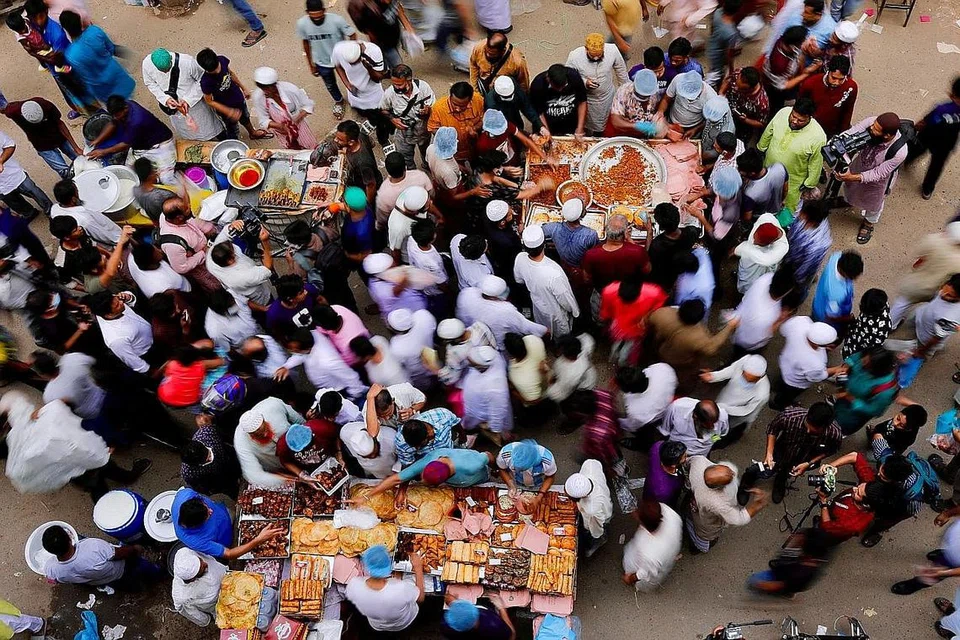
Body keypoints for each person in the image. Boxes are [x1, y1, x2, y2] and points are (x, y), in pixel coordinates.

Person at [836, 113, 910, 245]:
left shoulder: (900, 151)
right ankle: (849, 201)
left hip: (878, 182)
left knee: (874, 202)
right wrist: (837, 143)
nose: (871, 128)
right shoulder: (873, 122)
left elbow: (878, 173)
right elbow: (852, 132)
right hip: (860, 164)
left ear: (887, 135)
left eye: (875, 130)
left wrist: (852, 177)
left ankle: (869, 223)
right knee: (851, 188)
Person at [685, 456, 769, 553]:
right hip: (705, 525)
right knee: (701, 541)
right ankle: (695, 549)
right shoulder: (718, 502)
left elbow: (687, 464)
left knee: (687, 517)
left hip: (691, 506)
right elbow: (739, 518)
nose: (732, 473)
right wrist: (758, 504)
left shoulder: (698, 462)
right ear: (718, 488)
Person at [648, 300, 737, 390]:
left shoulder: (662, 313)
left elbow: (649, 322)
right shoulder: (699, 337)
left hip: (660, 350)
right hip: (680, 363)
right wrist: (729, 327)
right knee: (681, 378)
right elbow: (711, 348)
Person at [173, 488, 284, 560]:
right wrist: (258, 540)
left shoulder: (186, 495)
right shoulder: (195, 540)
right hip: (225, 541)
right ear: (197, 524)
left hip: (225, 514)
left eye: (207, 507)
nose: (211, 511)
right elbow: (229, 554)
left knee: (234, 515)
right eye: (208, 515)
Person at [763, 402, 842, 502]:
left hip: (805, 458)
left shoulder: (834, 434)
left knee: (787, 472)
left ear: (826, 427)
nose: (808, 431)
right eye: (807, 425)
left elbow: (832, 450)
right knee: (771, 467)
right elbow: (772, 429)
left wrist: (809, 463)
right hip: (783, 449)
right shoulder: (789, 416)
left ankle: (780, 480)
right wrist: (769, 453)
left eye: (814, 430)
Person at [758, 98, 827, 212]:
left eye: (800, 120)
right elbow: (768, 131)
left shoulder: (818, 137)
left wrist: (809, 184)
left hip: (793, 181)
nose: (794, 121)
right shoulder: (783, 112)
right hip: (768, 169)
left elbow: (816, 162)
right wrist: (761, 147)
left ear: (809, 118)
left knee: (786, 208)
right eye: (793, 116)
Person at [88, 97, 176, 184]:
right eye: (113, 115)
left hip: (161, 145)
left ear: (125, 108)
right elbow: (113, 123)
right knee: (128, 173)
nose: (115, 117)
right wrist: (97, 140)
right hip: (141, 146)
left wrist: (103, 152)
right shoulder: (123, 108)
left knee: (166, 179)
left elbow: (125, 145)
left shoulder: (136, 120)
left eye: (117, 115)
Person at [142, 48, 224, 141]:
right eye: (162, 71)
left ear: (171, 60)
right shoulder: (146, 64)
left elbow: (202, 79)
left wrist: (188, 100)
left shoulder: (187, 62)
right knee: (188, 132)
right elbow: (150, 83)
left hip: (196, 105)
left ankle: (224, 139)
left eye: (167, 69)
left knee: (208, 126)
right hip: (174, 107)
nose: (165, 72)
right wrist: (165, 99)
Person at [42, 525, 160, 588]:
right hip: (119, 571)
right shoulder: (94, 547)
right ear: (69, 539)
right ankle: (159, 573)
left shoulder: (51, 569)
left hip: (97, 580)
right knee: (142, 567)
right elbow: (121, 554)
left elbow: (55, 580)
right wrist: (135, 549)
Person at [890, 224, 960, 329]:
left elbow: (919, 258)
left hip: (918, 284)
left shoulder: (934, 240)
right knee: (930, 309)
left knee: (902, 304)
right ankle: (918, 323)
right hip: (940, 290)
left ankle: (890, 325)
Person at [513, 225, 579, 336]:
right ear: (544, 244)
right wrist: (575, 311)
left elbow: (519, 280)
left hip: (538, 306)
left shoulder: (520, 258)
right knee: (561, 335)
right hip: (555, 313)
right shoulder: (554, 272)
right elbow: (565, 298)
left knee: (544, 330)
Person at [581, 214, 650, 319]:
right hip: (627, 296)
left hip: (602, 296)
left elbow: (586, 279)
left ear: (605, 231)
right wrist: (630, 239)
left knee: (601, 321)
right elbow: (647, 270)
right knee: (624, 320)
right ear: (625, 233)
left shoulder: (591, 254)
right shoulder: (637, 251)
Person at [298, 0, 357, 120]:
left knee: (352, 80)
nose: (317, 20)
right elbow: (305, 43)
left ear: (324, 11)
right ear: (307, 13)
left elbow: (352, 34)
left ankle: (356, 99)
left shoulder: (336, 20)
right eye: (313, 17)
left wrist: (352, 53)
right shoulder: (302, 24)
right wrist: (311, 64)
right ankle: (339, 101)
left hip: (342, 59)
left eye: (319, 16)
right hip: (321, 61)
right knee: (330, 84)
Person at [59, 12, 134, 105]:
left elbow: (83, 77)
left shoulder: (70, 54)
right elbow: (111, 48)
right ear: (80, 22)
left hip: (102, 89)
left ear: (65, 29)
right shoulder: (94, 31)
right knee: (132, 104)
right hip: (117, 76)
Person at [346, 544, 424, 632]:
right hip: (402, 622)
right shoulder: (401, 588)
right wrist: (418, 569)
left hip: (376, 624)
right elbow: (420, 598)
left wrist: (396, 578)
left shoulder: (354, 585)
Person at [456, 275, 547, 348]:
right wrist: (545, 330)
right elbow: (526, 327)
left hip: (478, 341)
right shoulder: (505, 310)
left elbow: (464, 319)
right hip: (501, 344)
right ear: (493, 297)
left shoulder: (466, 294)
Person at [197, 48, 268, 141]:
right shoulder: (206, 82)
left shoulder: (222, 60)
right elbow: (209, 101)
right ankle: (234, 144)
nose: (218, 71)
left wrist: (243, 88)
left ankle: (252, 132)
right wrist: (228, 111)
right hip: (224, 107)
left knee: (245, 117)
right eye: (213, 71)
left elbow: (231, 73)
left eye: (217, 67)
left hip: (237, 97)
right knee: (232, 130)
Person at [234, 397, 306, 487]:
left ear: (264, 420)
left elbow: (299, 421)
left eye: (264, 429)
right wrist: (283, 480)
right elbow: (254, 475)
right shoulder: (241, 442)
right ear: (249, 434)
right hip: (279, 465)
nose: (264, 435)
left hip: (300, 448)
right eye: (258, 435)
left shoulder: (273, 405)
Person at [907, 76, 960, 200]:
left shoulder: (942, 108)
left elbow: (925, 122)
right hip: (937, 139)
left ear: (952, 95)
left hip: (938, 139)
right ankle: (927, 187)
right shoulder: (942, 109)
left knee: (933, 163)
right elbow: (926, 121)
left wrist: (917, 126)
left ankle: (927, 185)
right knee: (931, 161)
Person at [565, 33, 628, 136]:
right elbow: (569, 76)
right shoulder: (575, 56)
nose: (595, 58)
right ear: (586, 49)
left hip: (607, 97)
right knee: (586, 123)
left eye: (599, 55)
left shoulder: (612, 50)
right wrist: (585, 82)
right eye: (592, 56)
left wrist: (625, 92)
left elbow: (621, 71)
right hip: (588, 99)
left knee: (605, 124)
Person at [2, 97, 80, 178]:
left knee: (79, 159)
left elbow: (60, 124)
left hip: (59, 136)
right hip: (42, 145)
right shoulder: (12, 111)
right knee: (65, 173)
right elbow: (3, 109)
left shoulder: (47, 105)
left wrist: (76, 147)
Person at [599, 278, 668, 366]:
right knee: (617, 347)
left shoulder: (654, 292)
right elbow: (606, 312)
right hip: (618, 327)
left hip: (636, 329)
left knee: (629, 352)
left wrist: (647, 316)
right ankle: (619, 361)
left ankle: (626, 366)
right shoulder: (609, 291)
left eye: (630, 301)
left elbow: (661, 302)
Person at [771, 316, 837, 409]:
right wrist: (837, 369)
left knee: (779, 382)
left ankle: (775, 388)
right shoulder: (815, 362)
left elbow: (783, 330)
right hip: (794, 381)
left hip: (785, 363)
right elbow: (816, 377)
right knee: (786, 395)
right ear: (817, 344)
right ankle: (779, 405)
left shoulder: (801, 321)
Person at [701, 354, 770, 442]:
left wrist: (723, 408)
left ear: (760, 377)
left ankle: (714, 441)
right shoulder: (745, 361)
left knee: (725, 431)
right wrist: (713, 376)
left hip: (737, 416)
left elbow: (745, 411)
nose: (746, 380)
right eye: (744, 376)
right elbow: (731, 370)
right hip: (725, 400)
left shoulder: (762, 393)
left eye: (750, 380)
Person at [831, 347, 900, 435]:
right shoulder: (868, 356)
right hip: (842, 398)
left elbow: (875, 410)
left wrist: (852, 400)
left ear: (877, 369)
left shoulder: (885, 390)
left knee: (839, 428)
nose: (861, 362)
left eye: (866, 365)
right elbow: (854, 358)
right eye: (863, 359)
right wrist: (846, 366)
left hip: (852, 414)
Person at [747, 528, 834, 597]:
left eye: (802, 539)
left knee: (753, 579)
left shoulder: (799, 573)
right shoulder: (817, 557)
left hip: (779, 577)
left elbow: (779, 584)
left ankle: (782, 593)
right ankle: (787, 592)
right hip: (788, 577)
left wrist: (760, 584)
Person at [381, 64, 435, 169]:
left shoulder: (423, 87)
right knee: (405, 156)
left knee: (427, 152)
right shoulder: (389, 93)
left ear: (409, 80)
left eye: (399, 84)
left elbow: (433, 105)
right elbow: (383, 110)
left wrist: (428, 110)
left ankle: (427, 164)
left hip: (423, 129)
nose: (396, 87)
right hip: (404, 132)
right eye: (394, 83)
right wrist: (393, 119)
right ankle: (412, 171)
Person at [250, 67, 317, 150]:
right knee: (292, 152)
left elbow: (309, 105)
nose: (266, 92)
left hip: (300, 128)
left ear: (274, 85)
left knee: (311, 149)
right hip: (281, 133)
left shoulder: (290, 90)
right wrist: (282, 127)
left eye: (268, 88)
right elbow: (263, 121)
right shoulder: (258, 97)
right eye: (263, 88)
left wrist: (295, 121)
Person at [622, 499, 683, 590]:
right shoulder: (670, 514)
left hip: (645, 564)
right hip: (667, 554)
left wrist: (630, 578)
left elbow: (643, 573)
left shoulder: (649, 554)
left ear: (644, 525)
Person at [762, 26, 821, 114]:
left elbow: (800, 55)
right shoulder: (779, 64)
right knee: (776, 105)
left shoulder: (786, 41)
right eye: (802, 42)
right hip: (776, 86)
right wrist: (806, 74)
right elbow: (784, 85)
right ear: (793, 45)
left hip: (791, 74)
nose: (805, 42)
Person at [796, 54, 857, 139]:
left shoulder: (851, 87)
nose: (836, 82)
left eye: (841, 79)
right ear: (828, 71)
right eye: (834, 78)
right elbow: (799, 108)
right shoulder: (810, 84)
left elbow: (847, 112)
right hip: (808, 130)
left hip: (830, 132)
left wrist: (843, 133)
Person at [461, 345, 513, 441]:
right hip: (477, 408)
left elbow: (498, 411)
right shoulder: (494, 358)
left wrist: (495, 429)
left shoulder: (495, 388)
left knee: (501, 431)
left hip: (485, 414)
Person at [50, 178, 121, 246]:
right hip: (112, 241)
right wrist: (120, 240)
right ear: (73, 199)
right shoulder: (85, 220)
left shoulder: (54, 209)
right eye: (77, 192)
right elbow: (104, 236)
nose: (78, 193)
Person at [564, 459, 614, 556]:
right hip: (603, 493)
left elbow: (595, 526)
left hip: (601, 515)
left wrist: (596, 534)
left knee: (595, 532)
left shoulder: (591, 509)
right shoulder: (590, 464)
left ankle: (599, 541)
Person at [0, 129, 52, 219]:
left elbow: (10, 145)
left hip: (15, 174)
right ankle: (30, 213)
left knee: (35, 192)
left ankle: (51, 211)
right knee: (15, 203)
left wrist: (1, 161)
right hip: (1, 189)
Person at [347, 0, 414, 69]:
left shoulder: (389, 2)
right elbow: (370, 33)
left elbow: (398, 8)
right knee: (398, 67)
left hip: (394, 36)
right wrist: (376, 49)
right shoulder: (369, 11)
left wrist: (408, 27)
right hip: (385, 44)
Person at [618, 363, 678, 441]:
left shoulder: (635, 409)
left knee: (644, 434)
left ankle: (642, 443)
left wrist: (618, 422)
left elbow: (633, 426)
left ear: (628, 390)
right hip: (670, 402)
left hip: (654, 418)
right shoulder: (662, 368)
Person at [427, 82, 485, 163]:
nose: (458, 109)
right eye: (455, 104)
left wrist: (475, 128)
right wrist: (448, 139)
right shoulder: (438, 108)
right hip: (454, 155)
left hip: (474, 150)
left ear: (470, 100)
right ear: (450, 97)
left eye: (462, 106)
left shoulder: (478, 100)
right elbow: (432, 128)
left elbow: (483, 119)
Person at [180, 425, 242, 499]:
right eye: (207, 461)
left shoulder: (206, 433)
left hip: (229, 458)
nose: (210, 459)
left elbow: (224, 435)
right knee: (235, 492)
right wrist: (216, 489)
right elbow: (201, 487)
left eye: (209, 455)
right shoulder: (188, 473)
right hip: (220, 479)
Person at [171, 548, 227, 627]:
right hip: (218, 603)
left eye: (200, 560)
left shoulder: (184, 553)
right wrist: (205, 620)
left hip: (226, 576)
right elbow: (191, 613)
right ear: (193, 579)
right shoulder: (182, 596)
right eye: (202, 569)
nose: (205, 564)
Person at [647, 203, 699, 289]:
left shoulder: (657, 244)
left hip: (666, 277)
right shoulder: (691, 232)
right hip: (682, 272)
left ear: (660, 226)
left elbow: (648, 261)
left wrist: (649, 233)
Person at [529, 64, 588, 138]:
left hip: (570, 123)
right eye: (556, 87)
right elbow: (538, 112)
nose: (560, 90)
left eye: (563, 87)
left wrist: (580, 128)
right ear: (548, 79)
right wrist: (547, 132)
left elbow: (582, 102)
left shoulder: (574, 76)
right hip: (548, 122)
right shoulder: (538, 84)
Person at [783, 199, 832, 288]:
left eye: (802, 212)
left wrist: (797, 281)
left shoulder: (816, 246)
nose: (799, 212)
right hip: (790, 255)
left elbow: (805, 267)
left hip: (798, 266)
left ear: (811, 220)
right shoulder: (812, 215)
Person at [734, 215, 788, 294]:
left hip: (758, 269)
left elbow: (766, 260)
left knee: (750, 288)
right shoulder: (766, 218)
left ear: (770, 243)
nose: (754, 241)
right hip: (747, 262)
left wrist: (740, 249)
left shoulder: (782, 247)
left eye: (758, 242)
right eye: (754, 236)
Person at [362, 252, 428, 318]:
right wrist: (406, 277)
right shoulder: (382, 290)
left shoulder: (379, 278)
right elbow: (397, 290)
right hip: (405, 312)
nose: (396, 267)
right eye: (392, 267)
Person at [659, 398, 729, 457]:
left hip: (702, 455)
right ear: (695, 417)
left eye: (714, 423)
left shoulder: (723, 417)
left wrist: (711, 441)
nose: (712, 427)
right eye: (707, 425)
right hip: (677, 453)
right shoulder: (676, 408)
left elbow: (721, 434)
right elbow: (665, 431)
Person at [394, 406, 461, 468]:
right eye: (414, 446)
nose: (417, 448)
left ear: (429, 434)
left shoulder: (443, 415)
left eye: (420, 445)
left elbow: (456, 423)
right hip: (427, 462)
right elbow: (409, 464)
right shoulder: (401, 442)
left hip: (450, 450)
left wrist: (463, 438)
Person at [657, 71, 718, 138]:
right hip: (671, 121)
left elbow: (710, 121)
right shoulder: (677, 79)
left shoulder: (711, 97)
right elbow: (666, 99)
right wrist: (660, 112)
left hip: (692, 127)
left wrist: (695, 129)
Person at [543, 198, 600, 269]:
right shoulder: (590, 234)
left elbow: (540, 231)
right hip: (581, 266)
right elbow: (595, 252)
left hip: (564, 262)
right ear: (582, 214)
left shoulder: (553, 228)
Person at [812, 250, 863, 329]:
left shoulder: (836, 257)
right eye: (853, 277)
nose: (855, 279)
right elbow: (831, 317)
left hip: (819, 301)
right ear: (845, 274)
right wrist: (848, 318)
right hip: (824, 318)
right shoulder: (836, 294)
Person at [388, 308, 437, 388]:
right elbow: (433, 328)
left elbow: (401, 363)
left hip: (418, 370)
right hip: (431, 354)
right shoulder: (423, 315)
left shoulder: (397, 347)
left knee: (424, 384)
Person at [606, 69, 661, 138]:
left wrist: (657, 125)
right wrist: (636, 126)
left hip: (642, 135)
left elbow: (657, 111)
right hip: (623, 132)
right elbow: (615, 121)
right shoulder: (624, 91)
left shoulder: (654, 92)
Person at [737, 149, 788, 222]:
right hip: (777, 211)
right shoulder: (779, 168)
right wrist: (781, 201)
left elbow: (747, 217)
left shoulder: (750, 193)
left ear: (752, 173)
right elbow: (785, 189)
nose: (739, 171)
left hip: (760, 219)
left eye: (741, 169)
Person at [720, 66, 769, 141]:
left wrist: (745, 120)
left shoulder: (761, 103)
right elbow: (727, 81)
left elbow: (761, 123)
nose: (736, 88)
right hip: (726, 110)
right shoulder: (738, 73)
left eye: (742, 89)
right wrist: (721, 93)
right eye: (736, 84)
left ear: (751, 88)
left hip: (742, 126)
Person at [842, 288, 892, 359]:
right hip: (856, 333)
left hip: (859, 348)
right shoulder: (878, 303)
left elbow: (871, 349)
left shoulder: (882, 329)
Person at [704, 0, 742, 87]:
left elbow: (712, 29)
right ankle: (707, 87)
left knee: (714, 71)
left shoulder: (717, 12)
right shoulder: (731, 33)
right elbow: (729, 52)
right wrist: (731, 67)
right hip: (718, 57)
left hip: (711, 47)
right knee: (714, 75)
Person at [503, 332, 548, 405]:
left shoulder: (517, 376)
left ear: (510, 354)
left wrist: (513, 391)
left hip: (541, 394)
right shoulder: (534, 340)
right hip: (543, 382)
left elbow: (534, 401)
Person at [441, 597, 515, 640]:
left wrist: (453, 602)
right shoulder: (493, 625)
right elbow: (512, 636)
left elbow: (450, 600)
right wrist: (502, 608)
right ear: (475, 623)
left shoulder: (447, 626)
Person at [642, 441, 687, 508]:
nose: (687, 458)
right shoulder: (664, 491)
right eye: (684, 457)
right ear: (673, 465)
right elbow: (661, 508)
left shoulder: (657, 446)